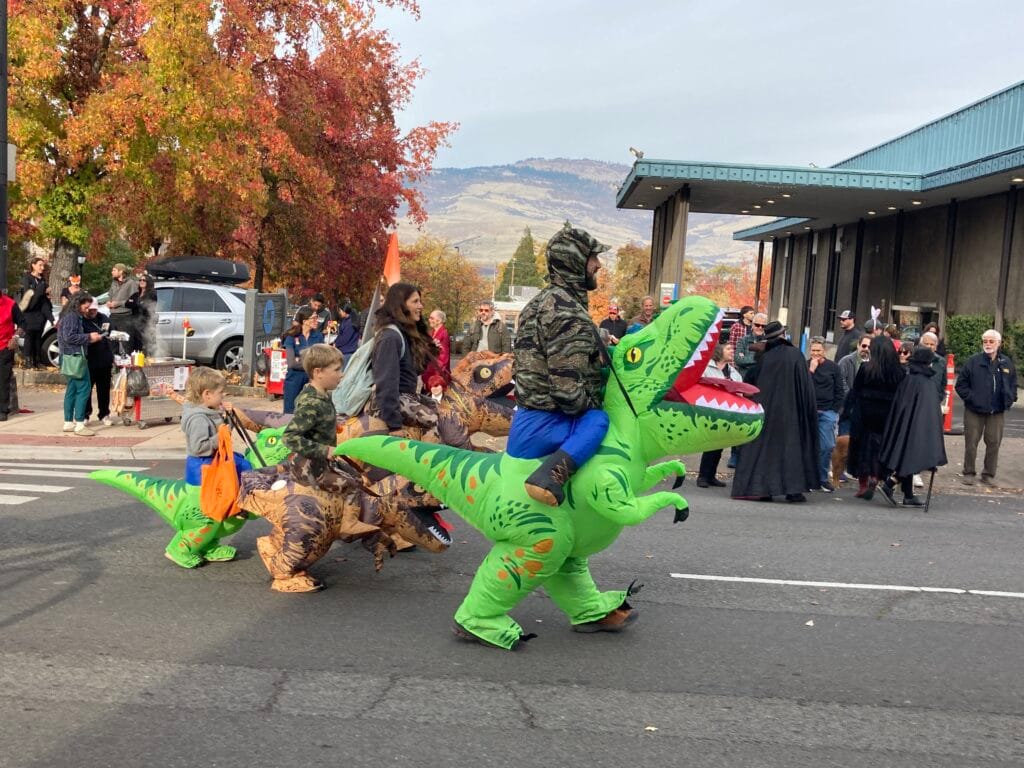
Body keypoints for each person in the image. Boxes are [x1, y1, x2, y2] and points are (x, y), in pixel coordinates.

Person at [508, 222, 609, 507]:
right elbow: (567, 391)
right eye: (592, 257)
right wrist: (595, 402)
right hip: (549, 421)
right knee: (599, 421)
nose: (598, 264)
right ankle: (550, 476)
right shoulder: (567, 311)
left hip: (526, 419)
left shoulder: (539, 302)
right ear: (574, 261)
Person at [731, 321, 819, 503]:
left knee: (767, 450)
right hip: (792, 412)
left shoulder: (764, 358)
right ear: (783, 335)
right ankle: (793, 490)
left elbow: (754, 383)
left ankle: (763, 489)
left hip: (767, 410)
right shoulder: (795, 355)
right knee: (792, 449)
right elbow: (805, 386)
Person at [878, 347, 948, 507]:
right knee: (913, 455)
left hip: (905, 424)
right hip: (918, 428)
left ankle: (908, 494)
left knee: (907, 454)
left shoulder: (909, 378)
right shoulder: (925, 383)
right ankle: (890, 483)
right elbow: (928, 410)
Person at [368, 282, 439, 434]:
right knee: (438, 421)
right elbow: (386, 383)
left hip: (405, 396)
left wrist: (430, 351)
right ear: (401, 305)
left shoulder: (403, 333)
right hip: (391, 401)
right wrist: (394, 425)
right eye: (415, 301)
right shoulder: (390, 337)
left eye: (420, 301)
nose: (420, 306)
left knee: (447, 412)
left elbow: (412, 373)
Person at [955, 329, 1018, 487]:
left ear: (998, 343)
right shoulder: (973, 361)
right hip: (974, 411)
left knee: (994, 443)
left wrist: (1011, 398)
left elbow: (1013, 383)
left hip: (996, 411)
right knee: (971, 443)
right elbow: (960, 385)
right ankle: (969, 472)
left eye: (991, 341)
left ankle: (988, 474)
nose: (988, 344)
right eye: (985, 341)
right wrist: (972, 398)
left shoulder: (1006, 363)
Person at [846, 336, 904, 500]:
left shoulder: (866, 368)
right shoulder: (899, 372)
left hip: (865, 412)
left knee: (862, 447)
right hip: (887, 415)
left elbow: (855, 390)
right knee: (880, 447)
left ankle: (863, 484)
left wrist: (846, 411)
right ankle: (876, 476)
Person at [181, 367, 253, 486]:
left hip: (211, 460)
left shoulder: (210, 411)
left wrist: (229, 417)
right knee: (244, 467)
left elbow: (224, 429)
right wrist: (221, 435)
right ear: (207, 394)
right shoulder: (198, 419)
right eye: (220, 392)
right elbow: (198, 448)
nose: (223, 395)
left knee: (242, 461)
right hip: (203, 467)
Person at [696, 344, 743, 488]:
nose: (732, 351)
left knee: (720, 444)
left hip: (726, 412)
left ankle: (711, 476)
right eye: (728, 349)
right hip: (710, 411)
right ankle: (703, 476)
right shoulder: (706, 368)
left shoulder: (733, 373)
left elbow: (740, 390)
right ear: (719, 352)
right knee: (711, 444)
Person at [58, 293, 103, 436]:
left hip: (68, 356)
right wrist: (89, 337)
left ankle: (68, 422)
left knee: (72, 388)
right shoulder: (72, 316)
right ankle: (79, 423)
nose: (87, 309)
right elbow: (69, 337)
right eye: (86, 307)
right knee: (84, 388)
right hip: (75, 357)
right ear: (78, 304)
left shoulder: (68, 315)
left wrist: (88, 338)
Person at [808, 336, 845, 492]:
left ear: (824, 351)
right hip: (809, 411)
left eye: (819, 350)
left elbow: (840, 390)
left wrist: (834, 410)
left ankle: (822, 478)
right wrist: (811, 370)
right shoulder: (805, 366)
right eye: (813, 350)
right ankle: (808, 478)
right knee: (808, 446)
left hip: (827, 412)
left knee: (826, 446)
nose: (816, 353)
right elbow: (803, 386)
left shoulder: (833, 368)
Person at [282, 307, 324, 414]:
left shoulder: (318, 336)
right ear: (305, 321)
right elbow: (291, 363)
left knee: (309, 411)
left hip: (311, 379)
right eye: (314, 318)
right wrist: (311, 363)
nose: (316, 321)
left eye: (317, 317)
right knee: (290, 412)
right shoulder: (292, 337)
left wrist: (299, 360)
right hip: (294, 379)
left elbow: (321, 359)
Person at [81, 298, 114, 427]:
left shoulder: (103, 318)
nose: (92, 312)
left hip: (104, 358)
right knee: (86, 390)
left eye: (94, 309)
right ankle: (85, 414)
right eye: (90, 309)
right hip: (89, 359)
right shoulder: (81, 320)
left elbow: (110, 330)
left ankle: (104, 413)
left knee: (104, 389)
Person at [19, 257, 53, 369]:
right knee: (29, 336)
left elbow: (44, 300)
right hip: (29, 312)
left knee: (38, 337)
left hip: (40, 314)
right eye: (40, 265)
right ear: (33, 265)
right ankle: (28, 360)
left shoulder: (43, 280)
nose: (42, 268)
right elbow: (29, 294)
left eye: (43, 266)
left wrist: (50, 317)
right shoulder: (27, 277)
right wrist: (41, 289)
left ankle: (37, 360)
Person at [0, 290, 26, 421]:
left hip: (5, 346)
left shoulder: (10, 304)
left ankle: (2, 410)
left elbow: (23, 323)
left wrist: (15, 337)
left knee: (3, 379)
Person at [126, 274, 157, 353]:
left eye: (144, 280)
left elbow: (146, 307)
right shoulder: (136, 294)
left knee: (145, 345)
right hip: (135, 323)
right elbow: (127, 304)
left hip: (145, 323)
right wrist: (137, 303)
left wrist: (135, 303)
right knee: (135, 346)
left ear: (148, 282)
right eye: (140, 280)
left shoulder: (151, 294)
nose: (141, 281)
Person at [421, 308, 451, 391]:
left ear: (439, 320)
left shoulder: (443, 334)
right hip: (430, 373)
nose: (429, 320)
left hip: (436, 376)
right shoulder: (433, 333)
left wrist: (435, 378)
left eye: (432, 318)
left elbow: (443, 359)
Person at [106, 263, 138, 339]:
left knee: (124, 342)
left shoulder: (131, 283)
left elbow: (134, 301)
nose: (112, 272)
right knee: (113, 341)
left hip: (125, 317)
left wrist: (118, 303)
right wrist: (108, 302)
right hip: (113, 316)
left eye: (114, 270)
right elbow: (110, 295)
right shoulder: (113, 283)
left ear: (121, 271)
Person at [735, 312, 767, 377]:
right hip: (745, 377)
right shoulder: (743, 340)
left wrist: (746, 359)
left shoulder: (768, 341)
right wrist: (759, 359)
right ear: (752, 325)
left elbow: (769, 362)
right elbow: (738, 360)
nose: (760, 327)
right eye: (757, 325)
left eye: (763, 326)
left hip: (762, 377)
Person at [919, 332, 947, 401]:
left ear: (936, 347)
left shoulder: (941, 361)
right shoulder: (915, 360)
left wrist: (940, 396)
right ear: (921, 345)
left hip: (935, 399)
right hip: (918, 400)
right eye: (926, 344)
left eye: (932, 344)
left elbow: (943, 383)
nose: (929, 346)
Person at [333, 301, 361, 366]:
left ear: (344, 311)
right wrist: (335, 342)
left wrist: (336, 344)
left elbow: (345, 338)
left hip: (347, 352)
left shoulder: (350, 322)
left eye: (340, 310)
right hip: (345, 351)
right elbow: (341, 334)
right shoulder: (345, 320)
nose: (339, 313)